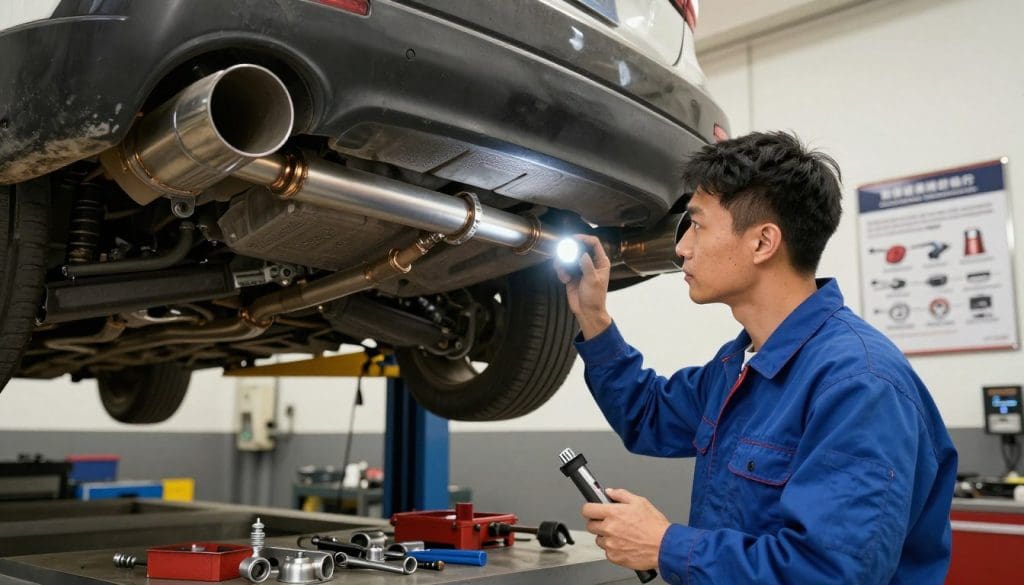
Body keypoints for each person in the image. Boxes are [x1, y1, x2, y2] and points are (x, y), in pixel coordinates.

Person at [556, 131, 957, 584]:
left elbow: (830, 574)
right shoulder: (740, 366)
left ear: (763, 243)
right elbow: (647, 415)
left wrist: (665, 544)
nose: (682, 247)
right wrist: (592, 314)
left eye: (697, 224)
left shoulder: (858, 384)